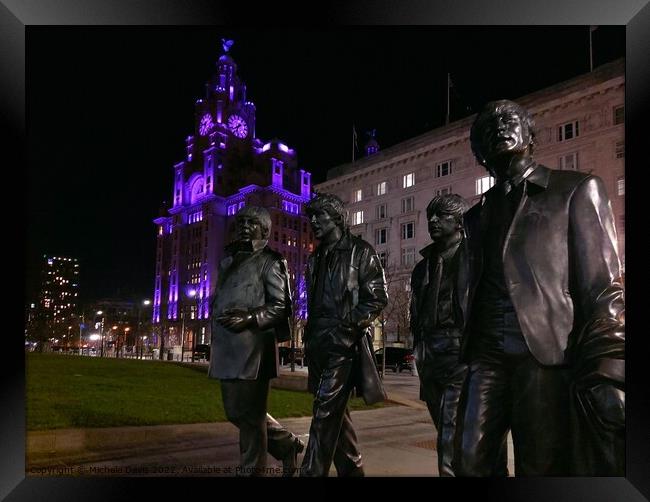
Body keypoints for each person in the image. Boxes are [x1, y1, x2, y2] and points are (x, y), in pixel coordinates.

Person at [453, 100, 625, 476]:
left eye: (509, 119)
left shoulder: (576, 189)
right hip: (485, 356)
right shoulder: (475, 217)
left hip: (544, 355)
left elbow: (603, 288)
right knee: (467, 461)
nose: (499, 127)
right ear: (480, 153)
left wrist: (610, 364)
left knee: (542, 465)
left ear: (531, 135)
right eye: (487, 128)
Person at [410, 193, 508, 477]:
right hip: (430, 358)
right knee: (454, 432)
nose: (432, 221)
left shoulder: (477, 256)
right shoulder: (422, 267)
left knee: (450, 439)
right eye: (431, 215)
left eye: (441, 216)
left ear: (460, 222)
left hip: (463, 353)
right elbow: (417, 315)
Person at [208, 206, 304, 477]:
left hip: (254, 350)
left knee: (250, 419)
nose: (244, 226)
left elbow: (281, 307)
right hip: (228, 348)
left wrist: (249, 317)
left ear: (265, 229)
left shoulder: (271, 260)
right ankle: (287, 445)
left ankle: (251, 472)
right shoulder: (229, 260)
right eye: (241, 221)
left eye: (252, 222)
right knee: (235, 413)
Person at [300, 193, 388, 477]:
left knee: (324, 415)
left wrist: (348, 327)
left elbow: (377, 297)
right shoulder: (315, 259)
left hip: (343, 343)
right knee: (337, 416)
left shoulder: (360, 251)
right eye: (310, 216)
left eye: (319, 215)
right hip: (318, 344)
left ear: (336, 217)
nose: (312, 222)